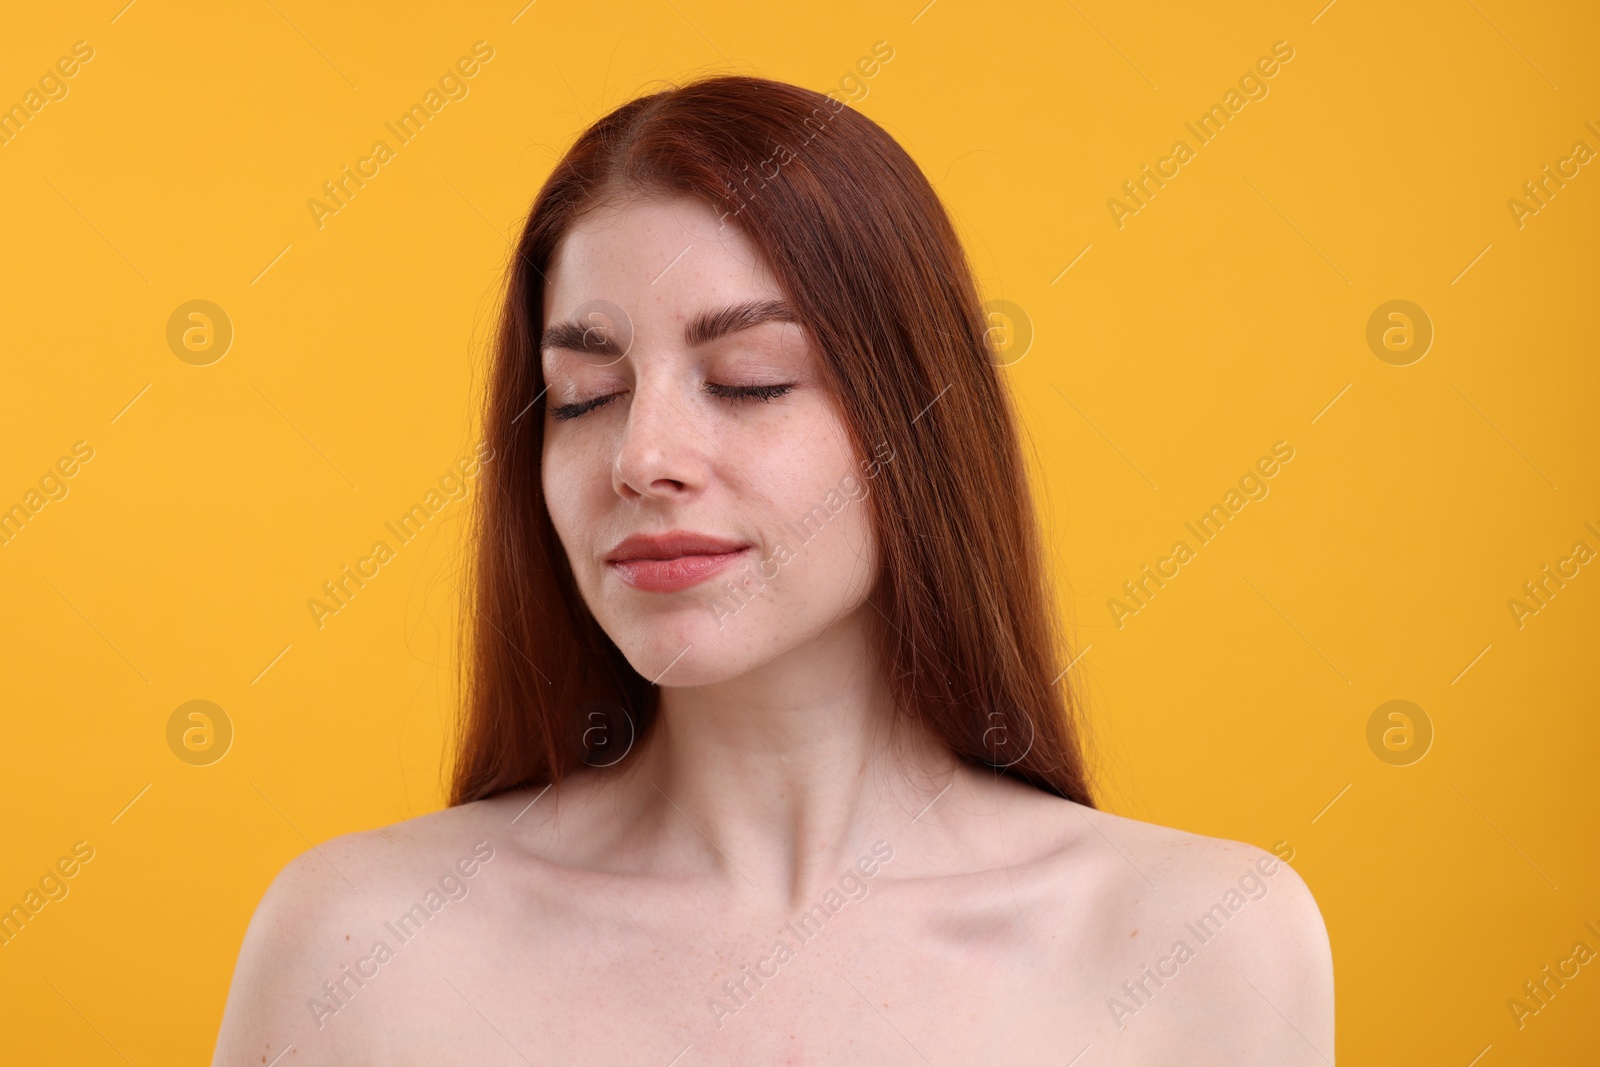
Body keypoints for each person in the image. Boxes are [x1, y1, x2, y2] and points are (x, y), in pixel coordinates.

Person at [213, 74, 1333, 1065]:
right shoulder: (355, 946)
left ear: (919, 421)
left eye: (748, 378)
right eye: (584, 397)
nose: (642, 458)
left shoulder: (1207, 942)